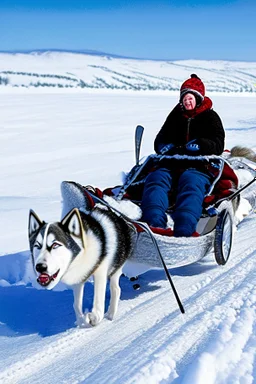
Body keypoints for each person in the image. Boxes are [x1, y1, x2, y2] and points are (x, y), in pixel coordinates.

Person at [141, 74, 225, 237]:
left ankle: (185, 229)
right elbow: (160, 139)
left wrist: (201, 144)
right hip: (171, 163)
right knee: (156, 179)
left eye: (190, 98)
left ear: (198, 98)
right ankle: (153, 224)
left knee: (191, 183)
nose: (187, 101)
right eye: (184, 98)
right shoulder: (175, 115)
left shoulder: (210, 117)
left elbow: (218, 143)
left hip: (198, 165)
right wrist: (164, 146)